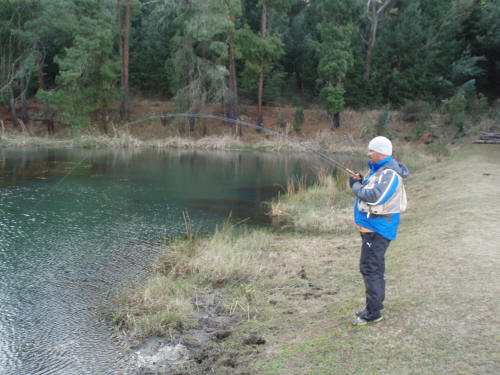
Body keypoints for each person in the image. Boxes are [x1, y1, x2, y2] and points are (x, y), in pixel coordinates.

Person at [349, 136, 409, 326]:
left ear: (381, 152)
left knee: (370, 268)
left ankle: (373, 313)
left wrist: (355, 186)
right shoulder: (380, 171)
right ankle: (374, 307)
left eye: (371, 151)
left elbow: (375, 197)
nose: (368, 154)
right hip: (372, 229)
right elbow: (372, 189)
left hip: (378, 231)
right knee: (374, 268)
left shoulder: (390, 173)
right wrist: (362, 181)